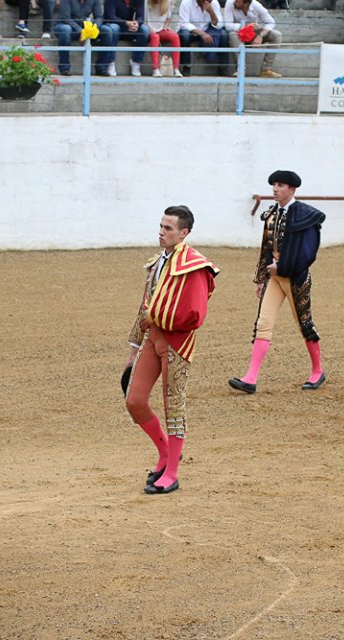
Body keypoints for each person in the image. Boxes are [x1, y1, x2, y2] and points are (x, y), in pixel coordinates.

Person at [124, 205, 219, 494]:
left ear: (183, 233)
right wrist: (133, 348)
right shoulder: (157, 262)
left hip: (177, 342)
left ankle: (173, 473)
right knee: (134, 400)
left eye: (168, 228)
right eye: (161, 226)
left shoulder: (194, 264)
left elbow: (195, 313)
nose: (162, 232)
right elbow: (145, 305)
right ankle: (166, 453)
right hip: (153, 337)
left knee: (173, 404)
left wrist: (168, 323)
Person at [229, 170, 326, 394]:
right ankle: (250, 378)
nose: (275, 188)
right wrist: (262, 278)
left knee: (304, 324)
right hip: (274, 278)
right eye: (274, 184)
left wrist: (282, 267)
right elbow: (266, 248)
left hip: (295, 278)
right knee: (263, 324)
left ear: (292, 190)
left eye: (280, 185)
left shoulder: (306, 215)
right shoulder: (272, 213)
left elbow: (308, 253)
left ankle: (318, 371)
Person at [54, 0, 116, 76]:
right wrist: (81, 31)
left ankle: (101, 67)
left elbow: (99, 16)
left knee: (107, 31)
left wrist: (94, 28)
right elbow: (66, 18)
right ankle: (64, 68)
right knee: (66, 30)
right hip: (66, 26)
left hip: (85, 27)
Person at [223, 0, 282, 78]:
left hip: (254, 33)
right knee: (232, 35)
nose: (235, 1)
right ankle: (241, 70)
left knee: (277, 35)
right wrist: (246, 26)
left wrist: (260, 35)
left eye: (238, 1)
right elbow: (227, 25)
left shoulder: (256, 5)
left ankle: (265, 70)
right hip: (239, 34)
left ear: (246, 3)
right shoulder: (230, 2)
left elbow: (271, 22)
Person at [177, 0, 227, 77]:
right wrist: (202, 34)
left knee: (223, 34)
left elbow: (218, 25)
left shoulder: (214, 3)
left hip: (207, 30)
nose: (209, 1)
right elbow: (184, 23)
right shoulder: (186, 2)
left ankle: (223, 67)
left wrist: (211, 12)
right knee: (184, 35)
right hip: (191, 32)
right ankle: (186, 66)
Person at [104, 0, 149, 76]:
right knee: (113, 28)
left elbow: (141, 16)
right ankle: (110, 62)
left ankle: (135, 61)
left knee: (145, 30)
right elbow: (110, 16)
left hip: (129, 27)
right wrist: (126, 23)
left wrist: (136, 24)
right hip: (116, 25)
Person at [145, 0, 181, 77]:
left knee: (175, 36)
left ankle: (176, 69)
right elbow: (144, 21)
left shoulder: (167, 2)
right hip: (149, 30)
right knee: (155, 37)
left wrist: (165, 26)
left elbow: (168, 18)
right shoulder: (147, 2)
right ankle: (155, 69)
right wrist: (151, 30)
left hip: (161, 30)